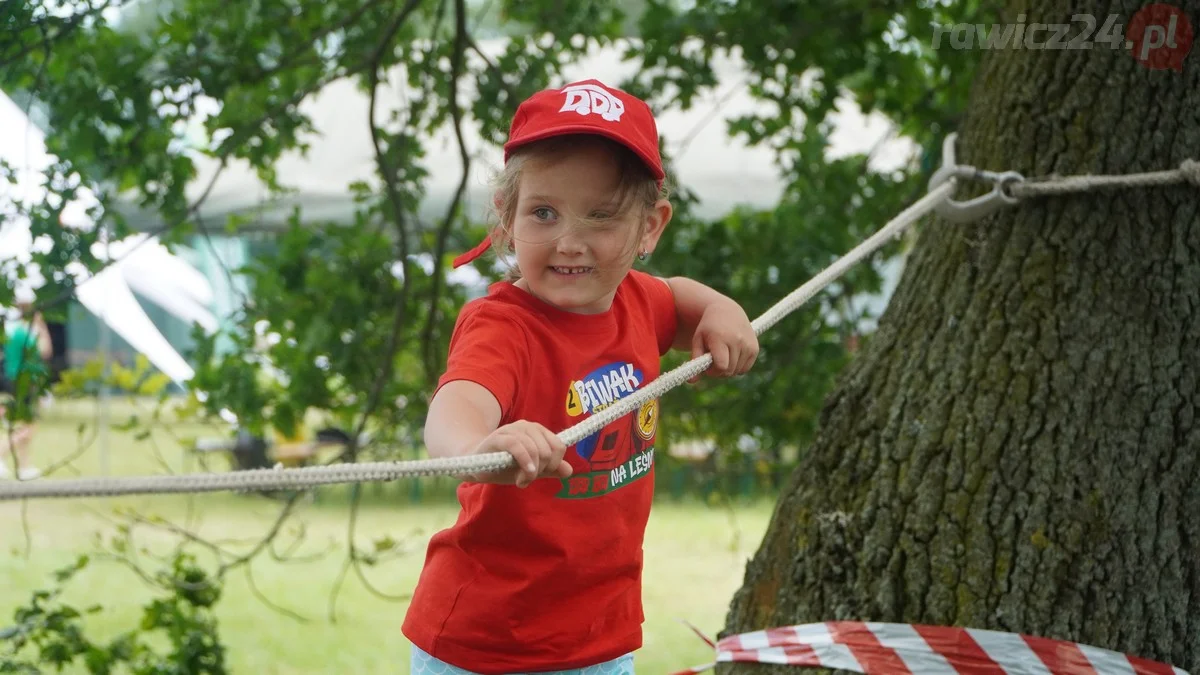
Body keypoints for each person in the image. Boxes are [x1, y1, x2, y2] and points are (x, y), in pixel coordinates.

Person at [401, 79, 760, 674]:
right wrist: (478, 447)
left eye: (601, 217)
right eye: (544, 213)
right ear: (506, 219)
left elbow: (679, 298)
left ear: (650, 228)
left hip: (600, 635)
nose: (570, 242)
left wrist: (723, 311)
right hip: (487, 643)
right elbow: (457, 405)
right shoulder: (503, 325)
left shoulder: (639, 304)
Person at [0, 302, 52, 480]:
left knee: (23, 424)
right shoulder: (25, 333)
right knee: (29, 427)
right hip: (25, 382)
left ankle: (25, 466)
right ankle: (2, 452)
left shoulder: (12, 331)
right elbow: (45, 350)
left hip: (15, 380)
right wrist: (41, 326)